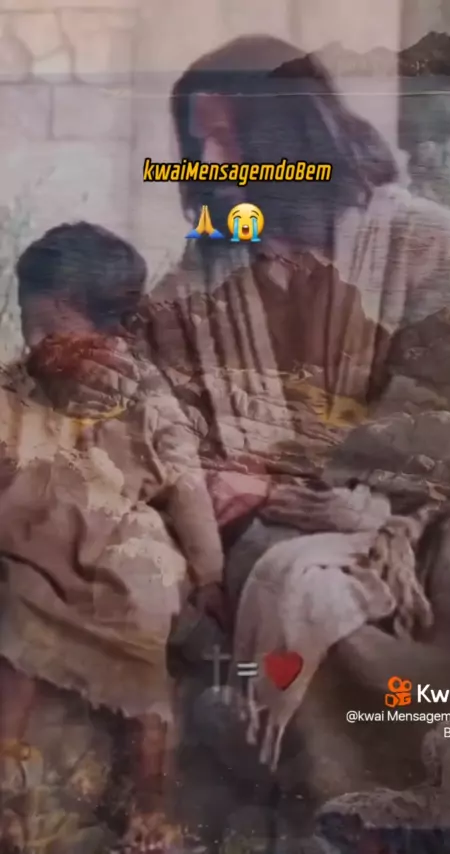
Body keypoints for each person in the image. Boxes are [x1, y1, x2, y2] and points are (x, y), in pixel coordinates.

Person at [126, 33, 450, 831]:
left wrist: (286, 472)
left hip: (420, 509)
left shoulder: (425, 242)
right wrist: (250, 486)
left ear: (293, 136)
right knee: (301, 589)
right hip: (275, 527)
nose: (209, 161)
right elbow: (166, 418)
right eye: (198, 141)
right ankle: (353, 811)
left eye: (228, 138)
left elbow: (432, 416)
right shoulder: (202, 273)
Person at [0, 222, 225, 853]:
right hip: (45, 551)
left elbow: (185, 486)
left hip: (121, 548)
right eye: (29, 328)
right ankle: (11, 799)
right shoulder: (17, 387)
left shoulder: (144, 396)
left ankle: (148, 807)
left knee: (139, 647)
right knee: (19, 641)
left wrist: (210, 572)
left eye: (48, 328)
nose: (35, 342)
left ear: (108, 329)